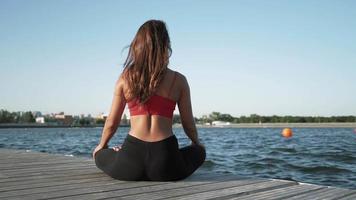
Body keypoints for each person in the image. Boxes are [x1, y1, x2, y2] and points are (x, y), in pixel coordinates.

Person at [92, 19, 206, 181]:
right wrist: (196, 143)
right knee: (199, 152)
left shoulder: (125, 78)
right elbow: (188, 124)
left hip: (130, 162)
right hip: (166, 164)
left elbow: (112, 122)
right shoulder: (179, 80)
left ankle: (113, 152)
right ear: (165, 45)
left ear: (138, 46)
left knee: (101, 155)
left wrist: (101, 146)